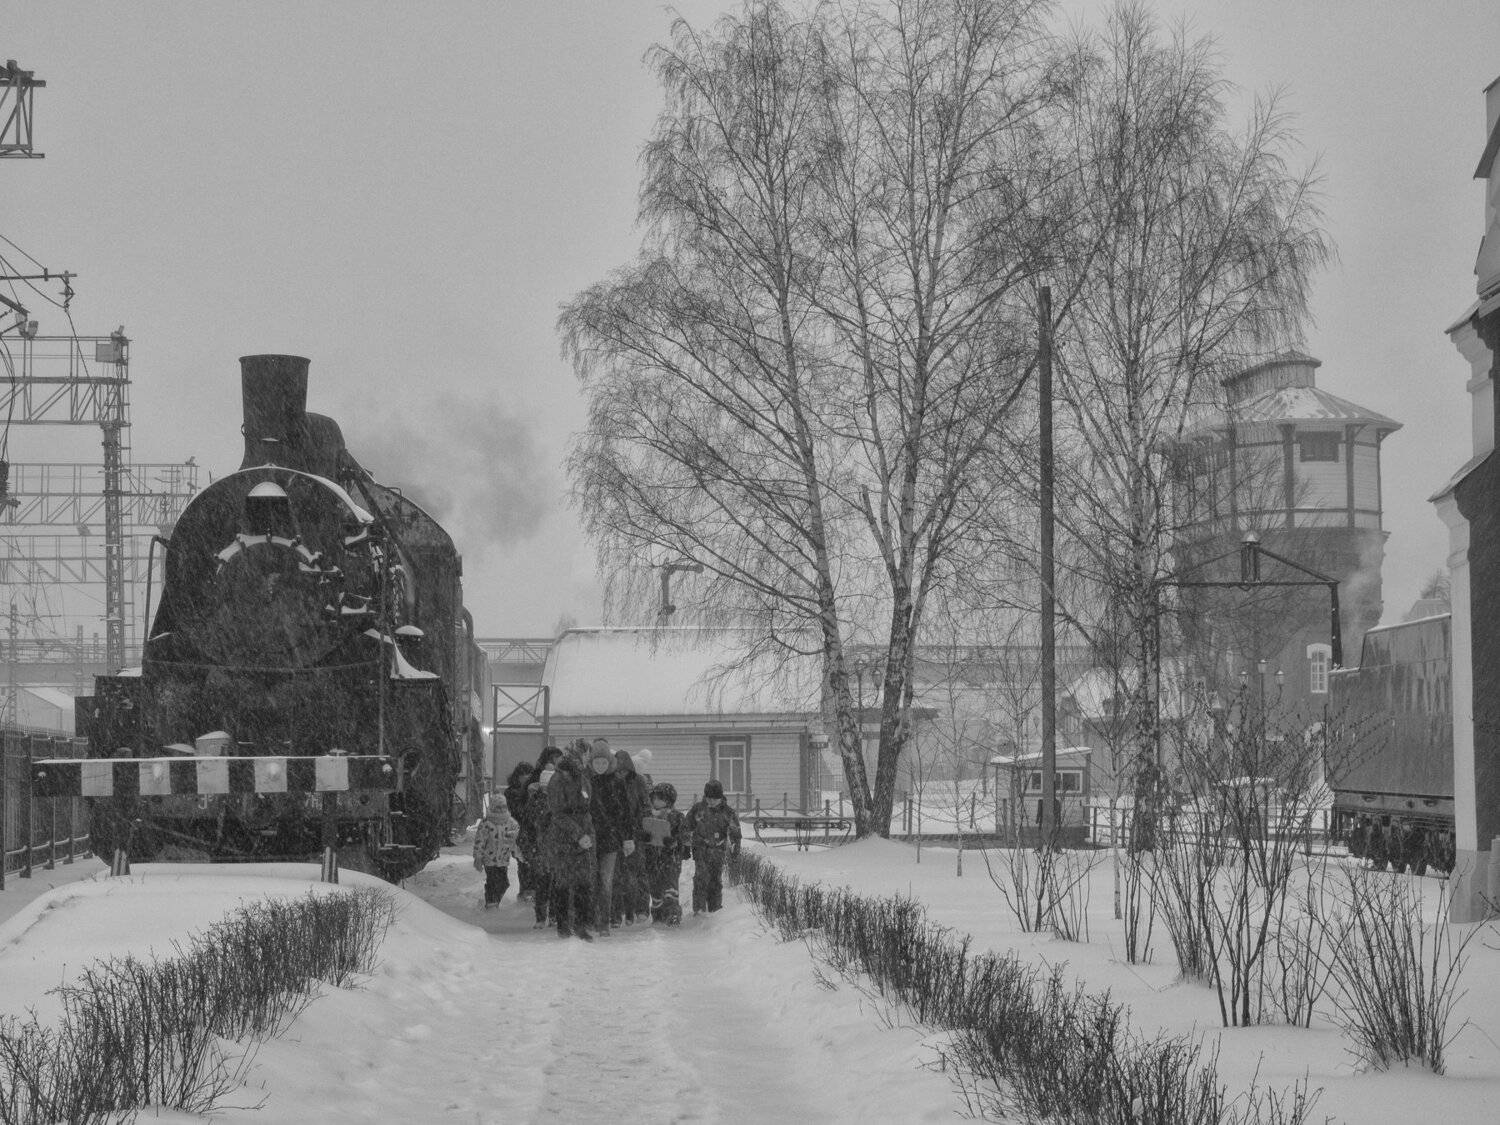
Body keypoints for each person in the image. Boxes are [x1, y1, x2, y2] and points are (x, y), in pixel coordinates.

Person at [544, 742, 596, 940]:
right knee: (564, 884)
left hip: (583, 837)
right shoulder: (558, 780)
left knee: (583, 883)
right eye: (583, 756)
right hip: (563, 839)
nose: (586, 759)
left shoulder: (582, 778)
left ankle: (581, 924)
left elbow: (586, 810)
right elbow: (558, 814)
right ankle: (564, 926)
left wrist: (588, 834)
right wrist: (578, 834)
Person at [586, 738, 632, 935]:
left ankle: (603, 922)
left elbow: (624, 813)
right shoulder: (584, 782)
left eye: (604, 763)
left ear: (609, 763)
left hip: (610, 841)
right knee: (589, 881)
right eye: (597, 762)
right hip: (588, 840)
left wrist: (627, 838)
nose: (600, 766)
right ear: (591, 762)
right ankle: (589, 919)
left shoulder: (617, 783)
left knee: (606, 881)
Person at [685, 779, 741, 914]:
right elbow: (686, 826)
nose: (711, 802)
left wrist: (735, 850)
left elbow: (735, 833)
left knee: (715, 879)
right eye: (709, 798)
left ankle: (715, 909)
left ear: (721, 797)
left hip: (718, 849)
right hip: (701, 847)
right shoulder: (698, 809)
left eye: (715, 799)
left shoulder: (728, 812)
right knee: (701, 877)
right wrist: (685, 845)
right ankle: (699, 909)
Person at [525, 746, 563, 929]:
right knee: (544, 883)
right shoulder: (536, 800)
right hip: (542, 848)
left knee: (552, 883)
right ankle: (542, 916)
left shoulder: (559, 800)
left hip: (552, 848)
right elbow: (530, 822)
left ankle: (552, 915)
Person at [612, 749, 650, 925]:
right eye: (618, 771)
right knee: (617, 874)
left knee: (637, 873)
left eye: (623, 770)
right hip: (614, 834)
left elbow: (645, 807)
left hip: (635, 834)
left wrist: (638, 825)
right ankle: (619, 910)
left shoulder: (638, 782)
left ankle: (641, 908)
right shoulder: (608, 783)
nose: (621, 774)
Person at [641, 781, 686, 924]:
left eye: (661, 799)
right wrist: (644, 837)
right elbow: (639, 831)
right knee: (655, 887)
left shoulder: (677, 816)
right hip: (652, 857)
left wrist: (673, 842)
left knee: (670, 887)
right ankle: (658, 914)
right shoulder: (647, 814)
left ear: (669, 801)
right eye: (655, 798)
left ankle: (673, 914)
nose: (657, 801)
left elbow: (683, 836)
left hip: (670, 858)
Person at [472, 796, 520, 909]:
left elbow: (515, 839)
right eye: (498, 807)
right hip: (489, 859)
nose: (501, 809)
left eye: (503, 807)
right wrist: (478, 857)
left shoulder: (510, 822)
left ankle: (496, 899)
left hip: (503, 859)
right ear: (493, 807)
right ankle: (491, 902)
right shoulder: (486, 823)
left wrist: (518, 852)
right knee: (492, 881)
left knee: (504, 883)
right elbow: (480, 841)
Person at [502, 762, 536, 900]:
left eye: (528, 777)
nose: (525, 779)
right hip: (519, 831)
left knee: (529, 862)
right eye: (523, 776)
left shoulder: (532, 791)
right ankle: (526, 890)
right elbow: (517, 811)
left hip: (531, 830)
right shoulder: (512, 792)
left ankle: (529, 890)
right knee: (523, 862)